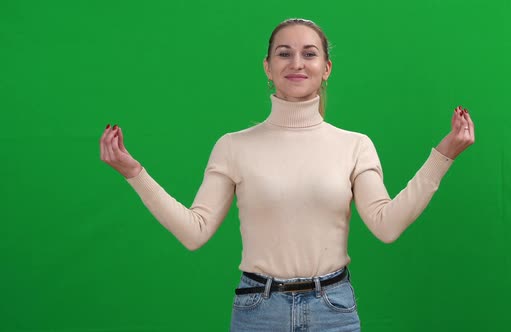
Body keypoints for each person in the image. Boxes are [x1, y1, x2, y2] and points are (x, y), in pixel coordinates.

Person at [99, 18, 475, 331]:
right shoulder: (233, 146)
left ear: (326, 68)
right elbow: (194, 231)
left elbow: (386, 225)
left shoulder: (355, 145)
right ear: (267, 66)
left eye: (309, 54)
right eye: (285, 53)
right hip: (258, 311)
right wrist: (134, 173)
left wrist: (443, 155)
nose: (297, 62)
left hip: (334, 310)